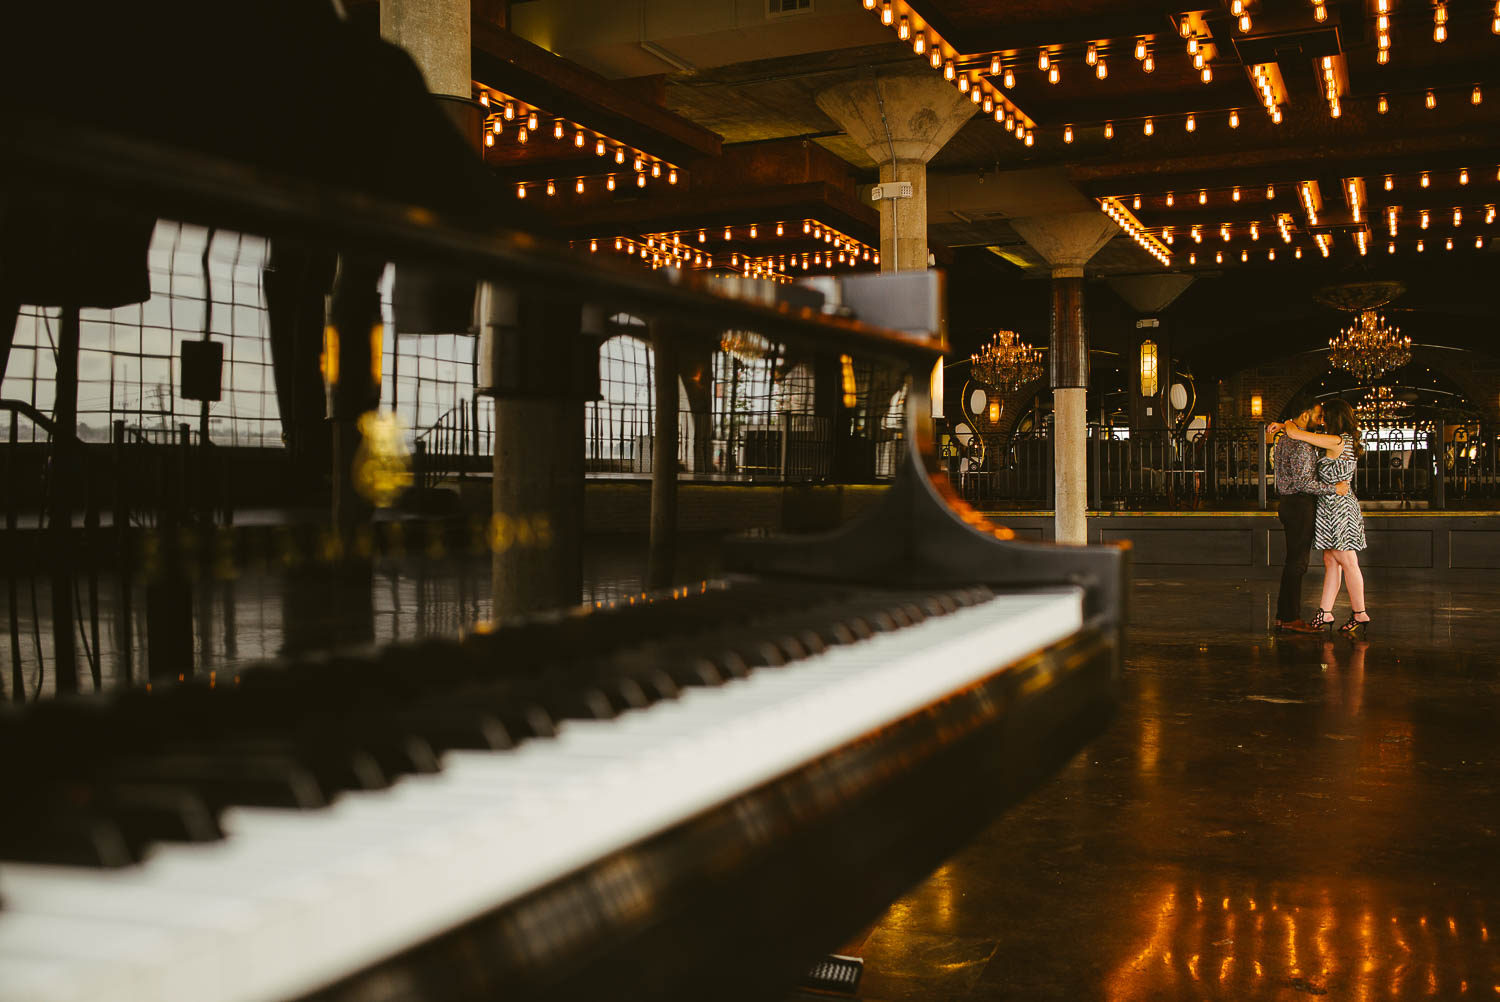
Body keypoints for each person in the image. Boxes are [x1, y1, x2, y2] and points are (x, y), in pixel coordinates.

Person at [1271, 398, 1371, 635]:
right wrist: (1285, 424)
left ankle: (1360, 613)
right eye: (1318, 415)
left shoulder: (1337, 440)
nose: (1321, 420)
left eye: (1325, 416)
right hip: (1325, 505)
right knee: (1330, 561)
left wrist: (1285, 424)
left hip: (1338, 508)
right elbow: (1299, 436)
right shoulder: (1319, 441)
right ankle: (1324, 612)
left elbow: (1298, 434)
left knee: (1346, 560)